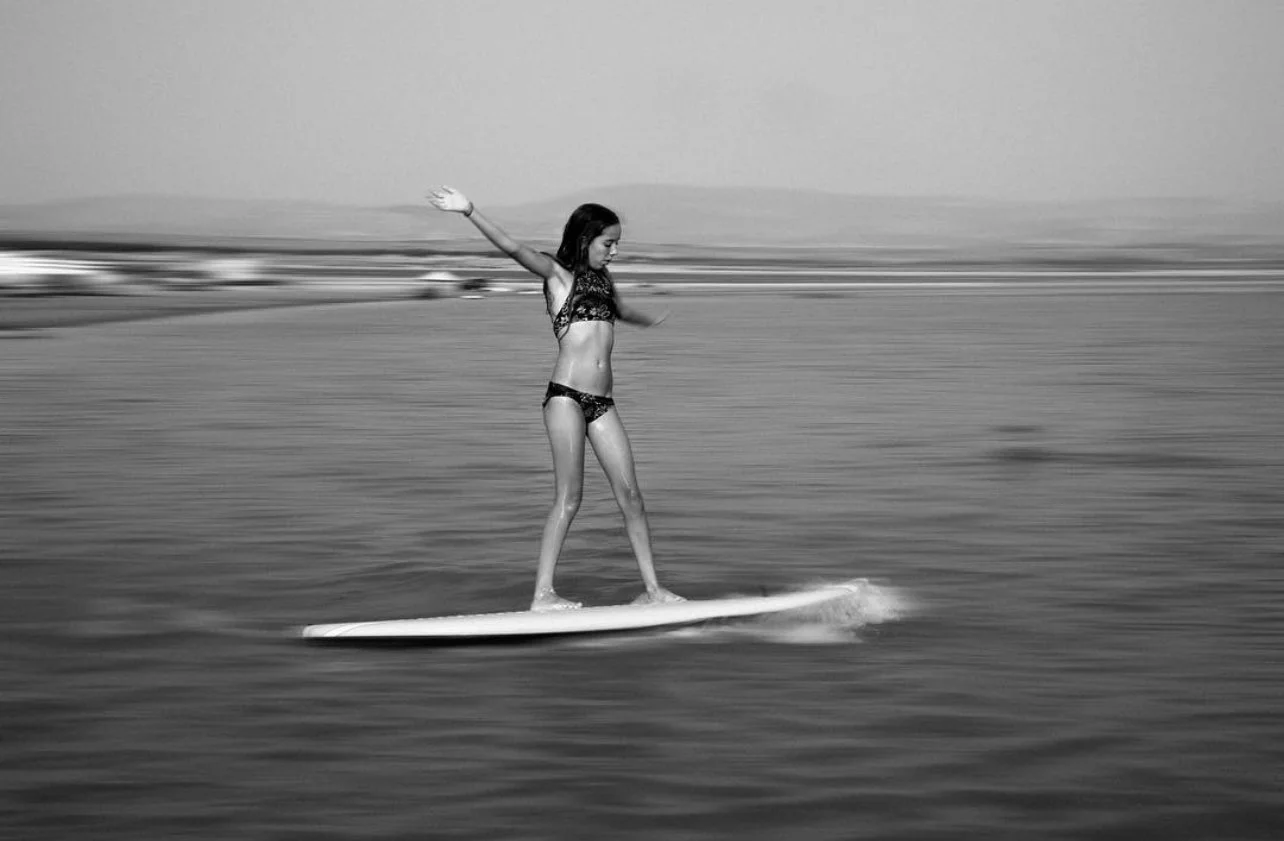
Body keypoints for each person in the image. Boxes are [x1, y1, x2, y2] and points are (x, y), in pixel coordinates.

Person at [428, 186, 684, 611]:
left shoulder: (602, 281)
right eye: (609, 243)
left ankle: (653, 591)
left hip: (603, 403)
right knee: (570, 497)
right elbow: (512, 247)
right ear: (587, 239)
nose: (615, 251)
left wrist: (650, 319)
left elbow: (617, 312)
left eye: (618, 243)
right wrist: (469, 210)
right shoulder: (557, 275)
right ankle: (542, 595)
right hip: (565, 398)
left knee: (632, 496)